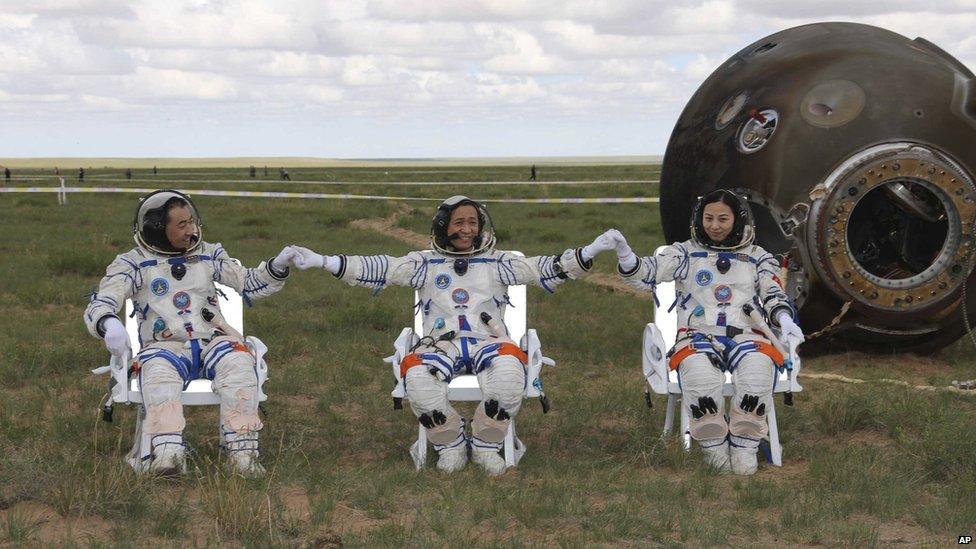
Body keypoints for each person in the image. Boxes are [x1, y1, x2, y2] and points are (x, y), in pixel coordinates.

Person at [290, 196, 617, 475]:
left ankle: (487, 444)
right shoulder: (425, 264)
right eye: (458, 222)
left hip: (488, 342)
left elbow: (542, 268)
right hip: (440, 345)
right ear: (442, 225)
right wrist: (325, 261)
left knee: (508, 375)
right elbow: (382, 268)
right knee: (416, 378)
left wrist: (588, 252)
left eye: (473, 222)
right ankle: (451, 445)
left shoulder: (498, 262)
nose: (467, 229)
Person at [83, 190, 301, 477]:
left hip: (213, 341)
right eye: (182, 225)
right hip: (165, 347)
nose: (192, 230)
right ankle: (167, 454)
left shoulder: (209, 255)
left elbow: (249, 283)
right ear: (159, 230)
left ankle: (243, 453)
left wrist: (277, 266)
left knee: (239, 364)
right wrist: (108, 323)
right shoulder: (132, 263)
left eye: (192, 222)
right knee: (158, 375)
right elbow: (102, 301)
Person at [611, 189, 804, 475]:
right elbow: (648, 272)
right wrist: (626, 256)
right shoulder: (684, 253)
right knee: (699, 378)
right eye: (709, 218)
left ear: (737, 221)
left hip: (748, 336)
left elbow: (773, 292)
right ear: (698, 219)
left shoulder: (757, 257)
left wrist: (785, 318)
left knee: (757, 372)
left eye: (723, 219)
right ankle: (714, 451)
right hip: (697, 337)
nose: (714, 226)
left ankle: (745, 446)